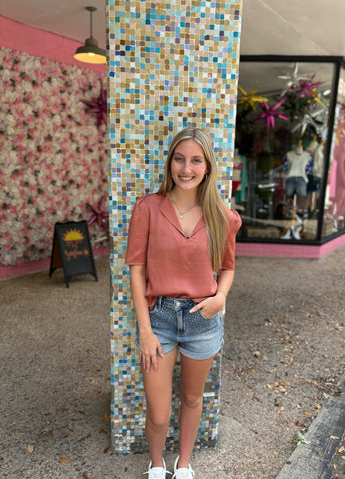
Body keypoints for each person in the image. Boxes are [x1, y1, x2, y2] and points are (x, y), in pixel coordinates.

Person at [125, 127, 242, 479]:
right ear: (170, 163)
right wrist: (145, 330)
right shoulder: (148, 208)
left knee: (193, 399)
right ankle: (157, 464)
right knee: (159, 413)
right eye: (179, 159)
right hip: (158, 319)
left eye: (195, 160)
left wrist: (219, 298)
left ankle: (184, 463)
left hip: (202, 320)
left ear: (207, 167)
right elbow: (136, 271)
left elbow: (227, 268)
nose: (186, 168)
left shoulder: (223, 216)